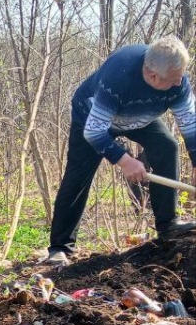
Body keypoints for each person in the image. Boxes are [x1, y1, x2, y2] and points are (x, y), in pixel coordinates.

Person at [45, 35, 196, 266]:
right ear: (153, 75)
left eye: (180, 77)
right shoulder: (118, 77)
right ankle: (60, 247)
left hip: (139, 118)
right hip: (92, 118)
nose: (179, 83)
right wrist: (124, 161)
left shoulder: (178, 80)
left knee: (167, 146)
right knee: (78, 176)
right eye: (173, 80)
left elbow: (191, 124)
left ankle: (168, 225)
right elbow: (94, 132)